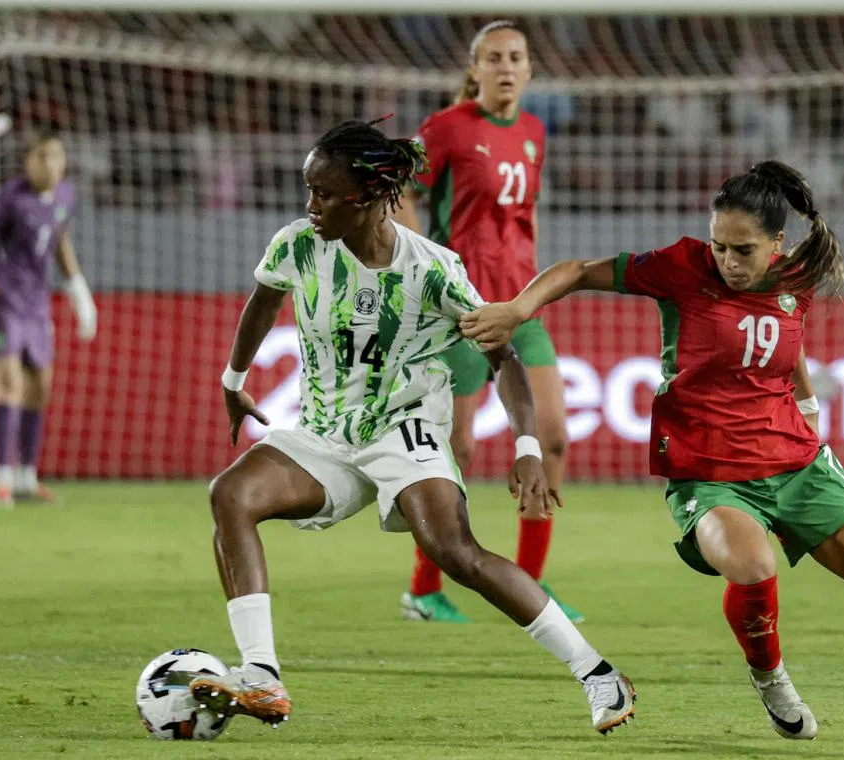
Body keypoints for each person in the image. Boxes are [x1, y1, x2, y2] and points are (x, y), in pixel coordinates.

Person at [459, 160, 844, 744]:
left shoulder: (799, 279)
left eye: (743, 250)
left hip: (800, 466)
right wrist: (517, 309)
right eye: (719, 245)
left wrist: (812, 415)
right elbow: (576, 270)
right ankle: (770, 678)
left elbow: (785, 356)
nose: (728, 261)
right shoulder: (681, 268)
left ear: (777, 246)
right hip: (710, 479)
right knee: (754, 566)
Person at [187, 119, 635, 734]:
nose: (310, 205)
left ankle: (598, 672)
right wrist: (234, 382)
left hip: (407, 428)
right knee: (230, 494)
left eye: (323, 194)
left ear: (368, 200)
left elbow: (501, 356)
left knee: (456, 553)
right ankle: (261, 675)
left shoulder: (432, 271)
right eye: (307, 189)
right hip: (325, 433)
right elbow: (264, 301)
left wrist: (527, 445)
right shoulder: (297, 245)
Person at [392, 20, 581, 625]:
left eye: (516, 57)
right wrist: (427, 260)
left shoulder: (533, 131)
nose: (505, 67)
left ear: (529, 71)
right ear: (475, 69)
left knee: (551, 437)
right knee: (460, 447)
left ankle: (531, 584)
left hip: (522, 304)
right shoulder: (447, 128)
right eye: (494, 57)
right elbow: (400, 190)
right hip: (464, 308)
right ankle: (423, 589)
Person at [0, 133, 97, 508]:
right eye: (43, 157)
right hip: (2, 302)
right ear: (27, 160)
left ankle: (27, 478)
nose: (52, 165)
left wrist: (78, 288)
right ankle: (3, 480)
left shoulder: (64, 196)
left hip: (37, 304)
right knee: (9, 385)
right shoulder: (8, 199)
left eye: (57, 157)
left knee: (40, 388)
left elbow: (59, 239)